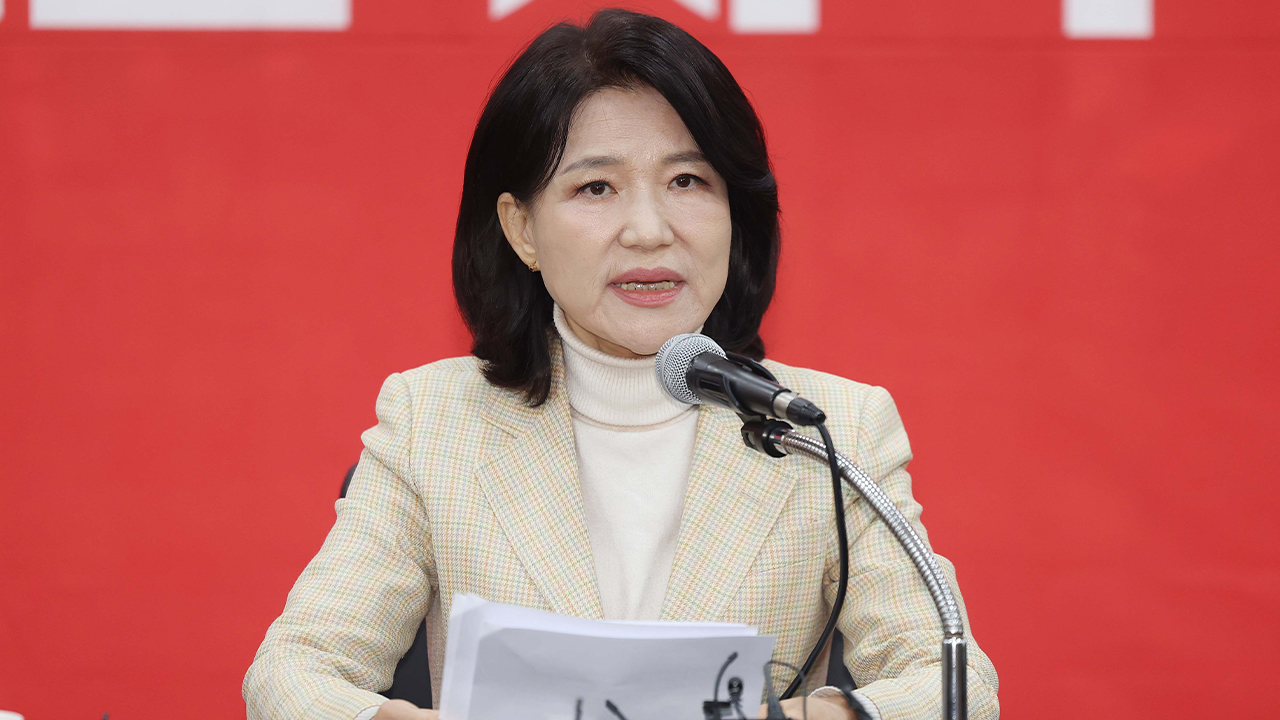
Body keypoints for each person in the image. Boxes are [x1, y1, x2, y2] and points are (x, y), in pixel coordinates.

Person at [243, 9, 999, 720]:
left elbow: (956, 681)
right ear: (521, 229)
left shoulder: (827, 429)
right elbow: (291, 675)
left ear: (734, 216)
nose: (647, 230)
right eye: (596, 187)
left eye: (687, 182)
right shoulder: (432, 421)